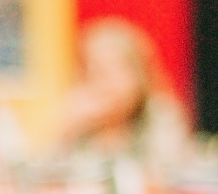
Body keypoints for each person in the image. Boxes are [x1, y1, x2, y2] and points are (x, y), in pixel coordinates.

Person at [52, 18, 190, 171]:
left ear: (138, 75)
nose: (99, 83)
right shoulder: (78, 120)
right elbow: (46, 176)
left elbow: (166, 173)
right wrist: (66, 131)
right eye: (90, 70)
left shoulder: (159, 115)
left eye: (106, 72)